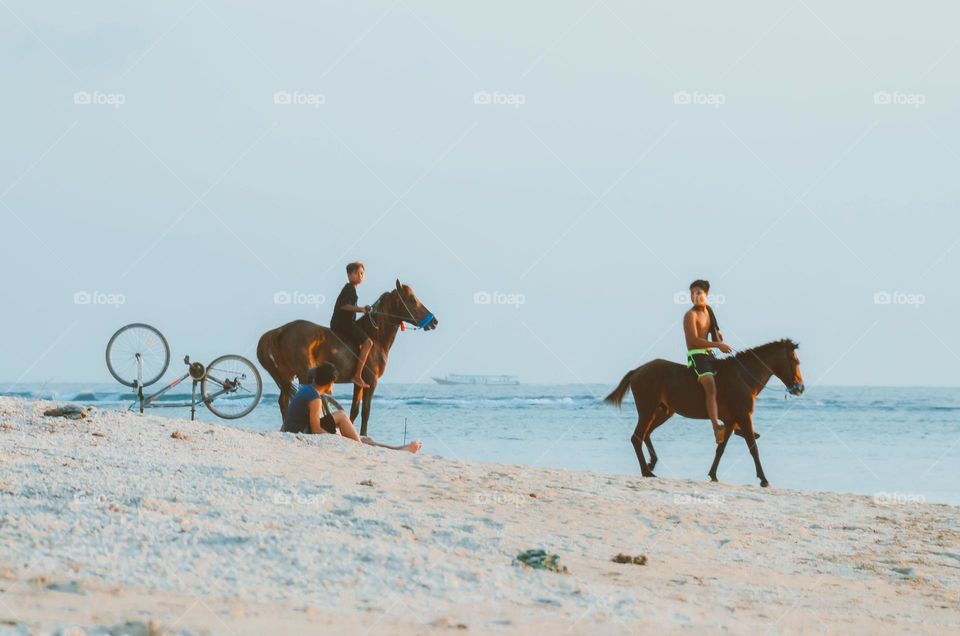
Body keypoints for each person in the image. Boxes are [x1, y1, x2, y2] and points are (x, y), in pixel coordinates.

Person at [281, 363, 422, 453]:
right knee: (343, 417)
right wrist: (338, 438)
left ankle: (399, 449)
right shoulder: (315, 399)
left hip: (298, 431)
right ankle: (394, 450)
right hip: (301, 434)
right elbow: (316, 430)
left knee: (366, 439)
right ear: (330, 383)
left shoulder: (307, 390)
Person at [683, 279, 733, 444]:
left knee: (730, 380)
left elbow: (714, 334)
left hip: (709, 355)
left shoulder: (709, 311)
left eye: (698, 293)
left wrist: (719, 337)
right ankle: (716, 427)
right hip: (697, 356)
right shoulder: (690, 315)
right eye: (692, 293)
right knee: (710, 386)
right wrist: (717, 344)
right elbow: (693, 340)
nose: (694, 296)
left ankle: (734, 421)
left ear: (707, 295)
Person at [331, 261, 374, 387]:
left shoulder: (351, 289)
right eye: (356, 273)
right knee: (368, 342)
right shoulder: (349, 289)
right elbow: (344, 306)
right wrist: (361, 309)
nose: (360, 276)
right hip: (343, 323)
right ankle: (357, 376)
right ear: (349, 275)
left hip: (343, 323)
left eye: (362, 273)